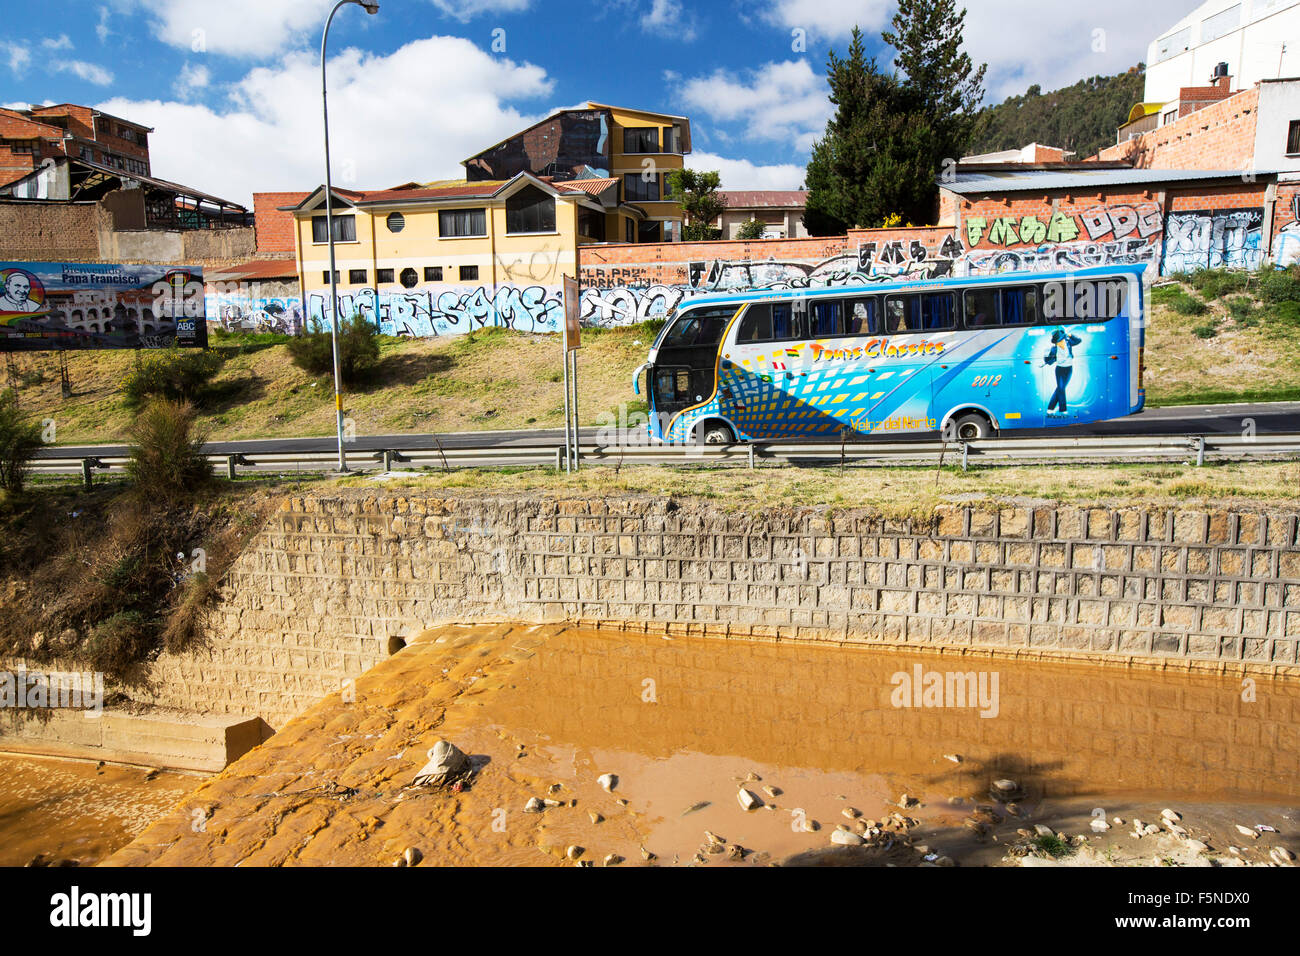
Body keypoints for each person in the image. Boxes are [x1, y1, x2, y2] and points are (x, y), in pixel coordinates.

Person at [1043, 328, 1082, 414]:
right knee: (1061, 388)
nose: (1060, 342)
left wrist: (1070, 335)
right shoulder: (1054, 349)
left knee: (1060, 388)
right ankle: (1063, 410)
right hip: (1060, 369)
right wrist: (1046, 356)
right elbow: (1048, 361)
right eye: (1058, 341)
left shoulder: (1068, 343)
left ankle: (1050, 408)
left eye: (1061, 340)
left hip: (1069, 368)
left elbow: (1079, 340)